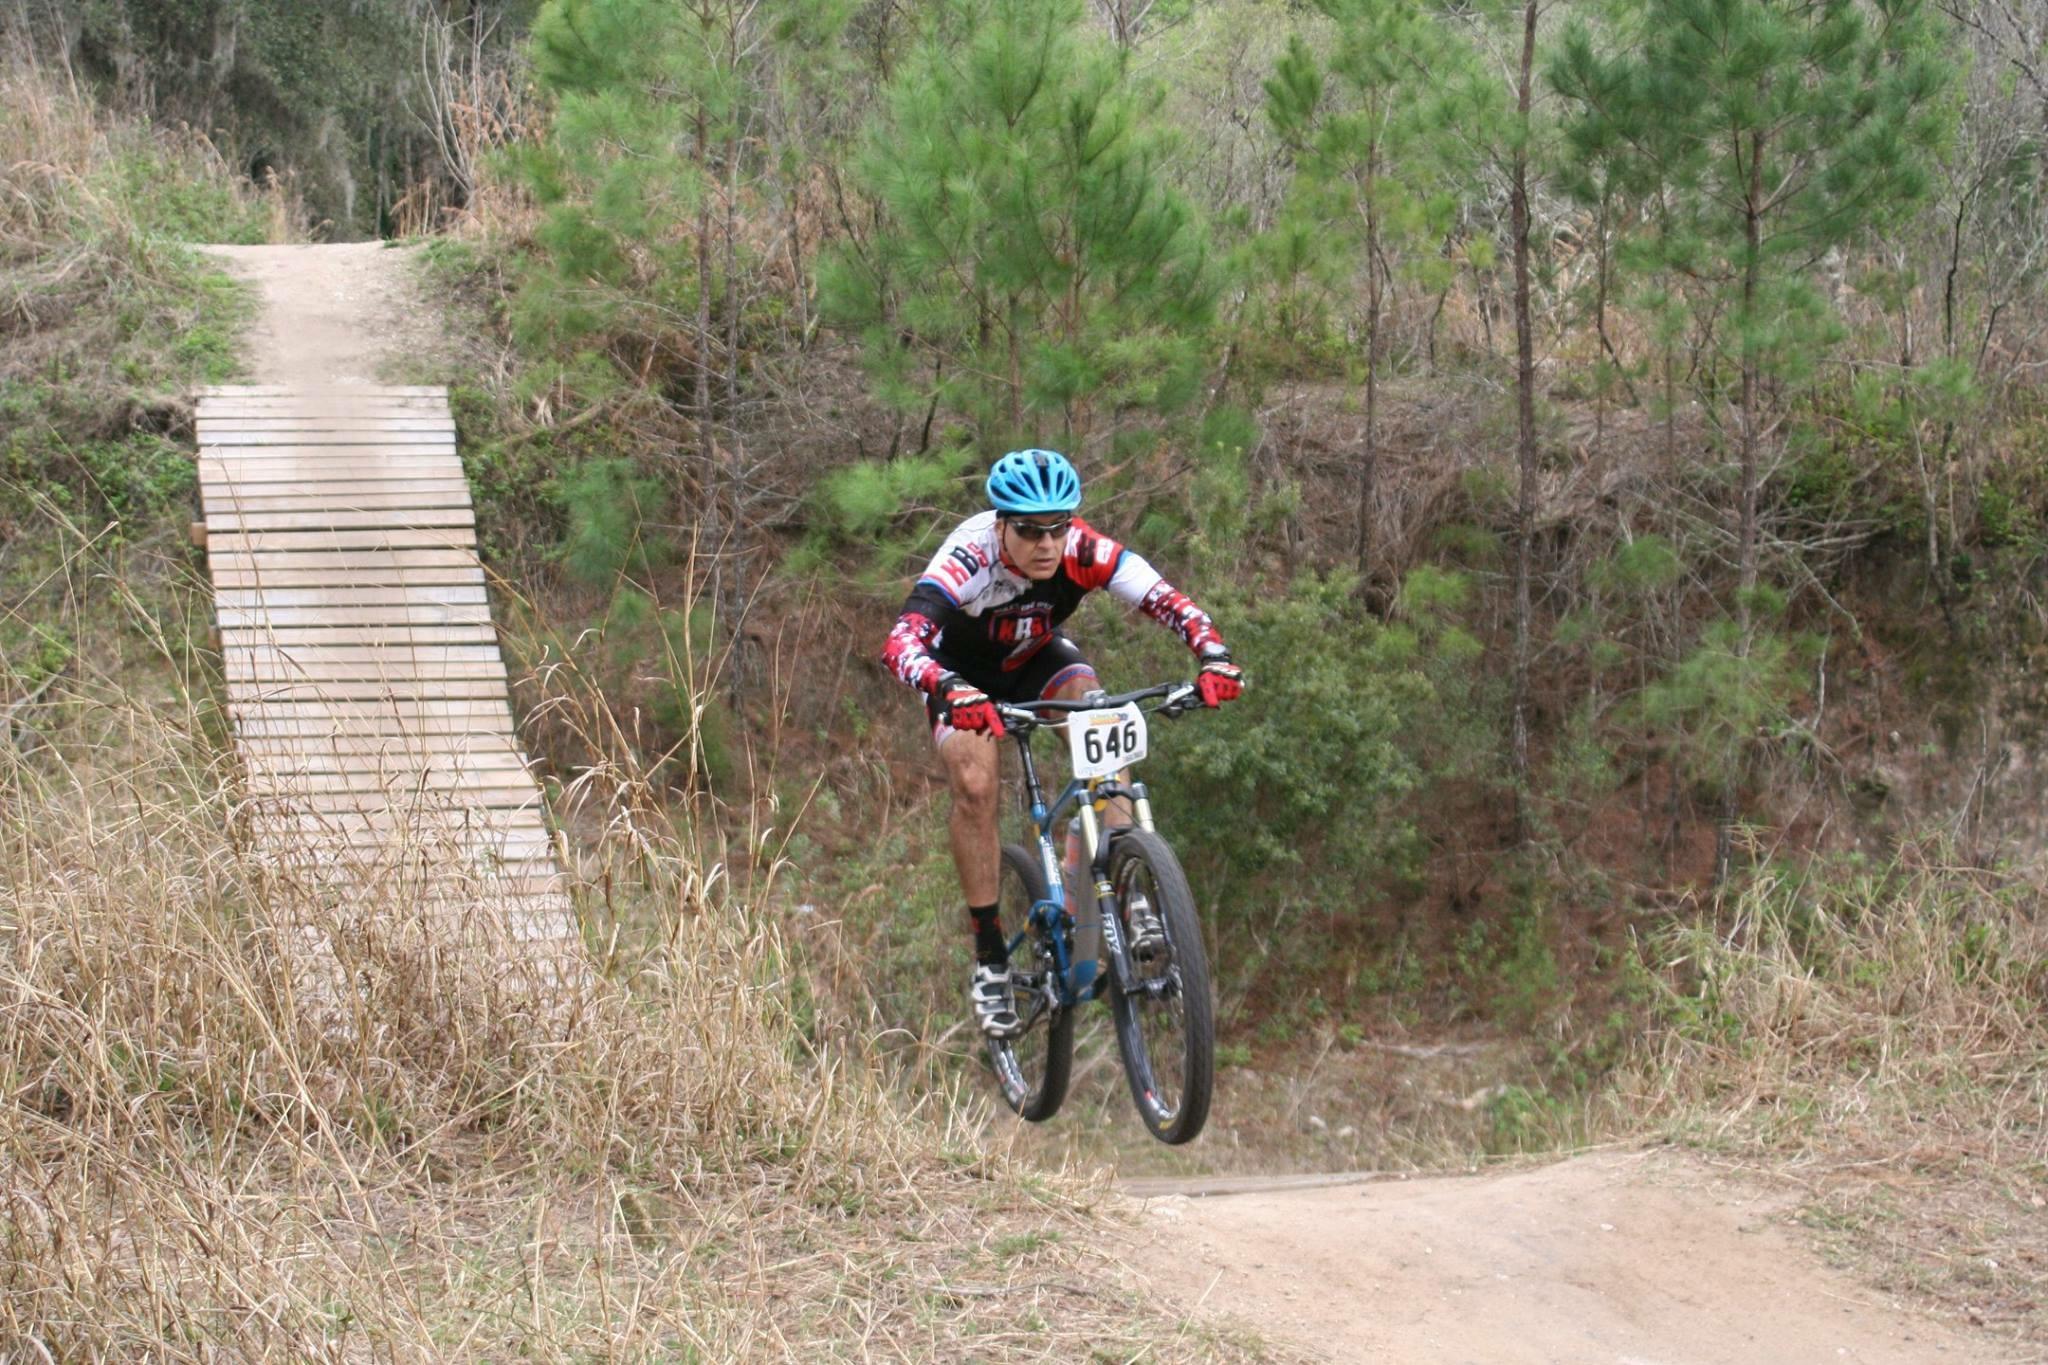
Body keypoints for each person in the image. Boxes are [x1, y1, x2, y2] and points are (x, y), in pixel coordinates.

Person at [879, 449, 1244, 1037]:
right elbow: (900, 643)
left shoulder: (1082, 550)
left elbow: (1169, 600)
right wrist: (947, 688)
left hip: (1034, 661)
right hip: (960, 676)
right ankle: (991, 956)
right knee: (974, 785)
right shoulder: (969, 556)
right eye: (1028, 530)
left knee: (1102, 714)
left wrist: (1214, 656)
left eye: (1058, 526)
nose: (1046, 543)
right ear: (1001, 524)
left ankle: (1126, 879)